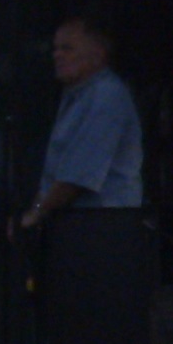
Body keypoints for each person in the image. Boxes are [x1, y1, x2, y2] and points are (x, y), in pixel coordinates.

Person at [14, 15, 142, 237]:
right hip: (76, 227)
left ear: (98, 54)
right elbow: (53, 177)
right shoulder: (74, 97)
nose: (57, 55)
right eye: (56, 49)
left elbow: (77, 177)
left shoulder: (106, 96)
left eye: (68, 49)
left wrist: (33, 216)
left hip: (104, 228)